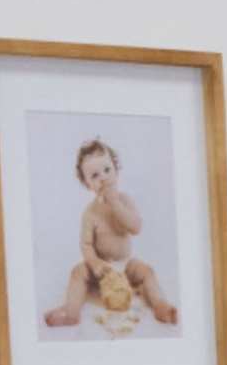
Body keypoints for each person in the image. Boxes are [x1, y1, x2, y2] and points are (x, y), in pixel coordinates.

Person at [43, 137, 178, 331]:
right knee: (77, 272)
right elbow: (86, 245)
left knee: (147, 271)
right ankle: (71, 312)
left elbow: (136, 227)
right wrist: (95, 263)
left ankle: (159, 305)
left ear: (116, 170)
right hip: (101, 270)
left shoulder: (125, 200)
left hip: (126, 265)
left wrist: (115, 204)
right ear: (87, 183)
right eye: (95, 176)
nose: (103, 178)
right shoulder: (90, 213)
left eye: (107, 170)